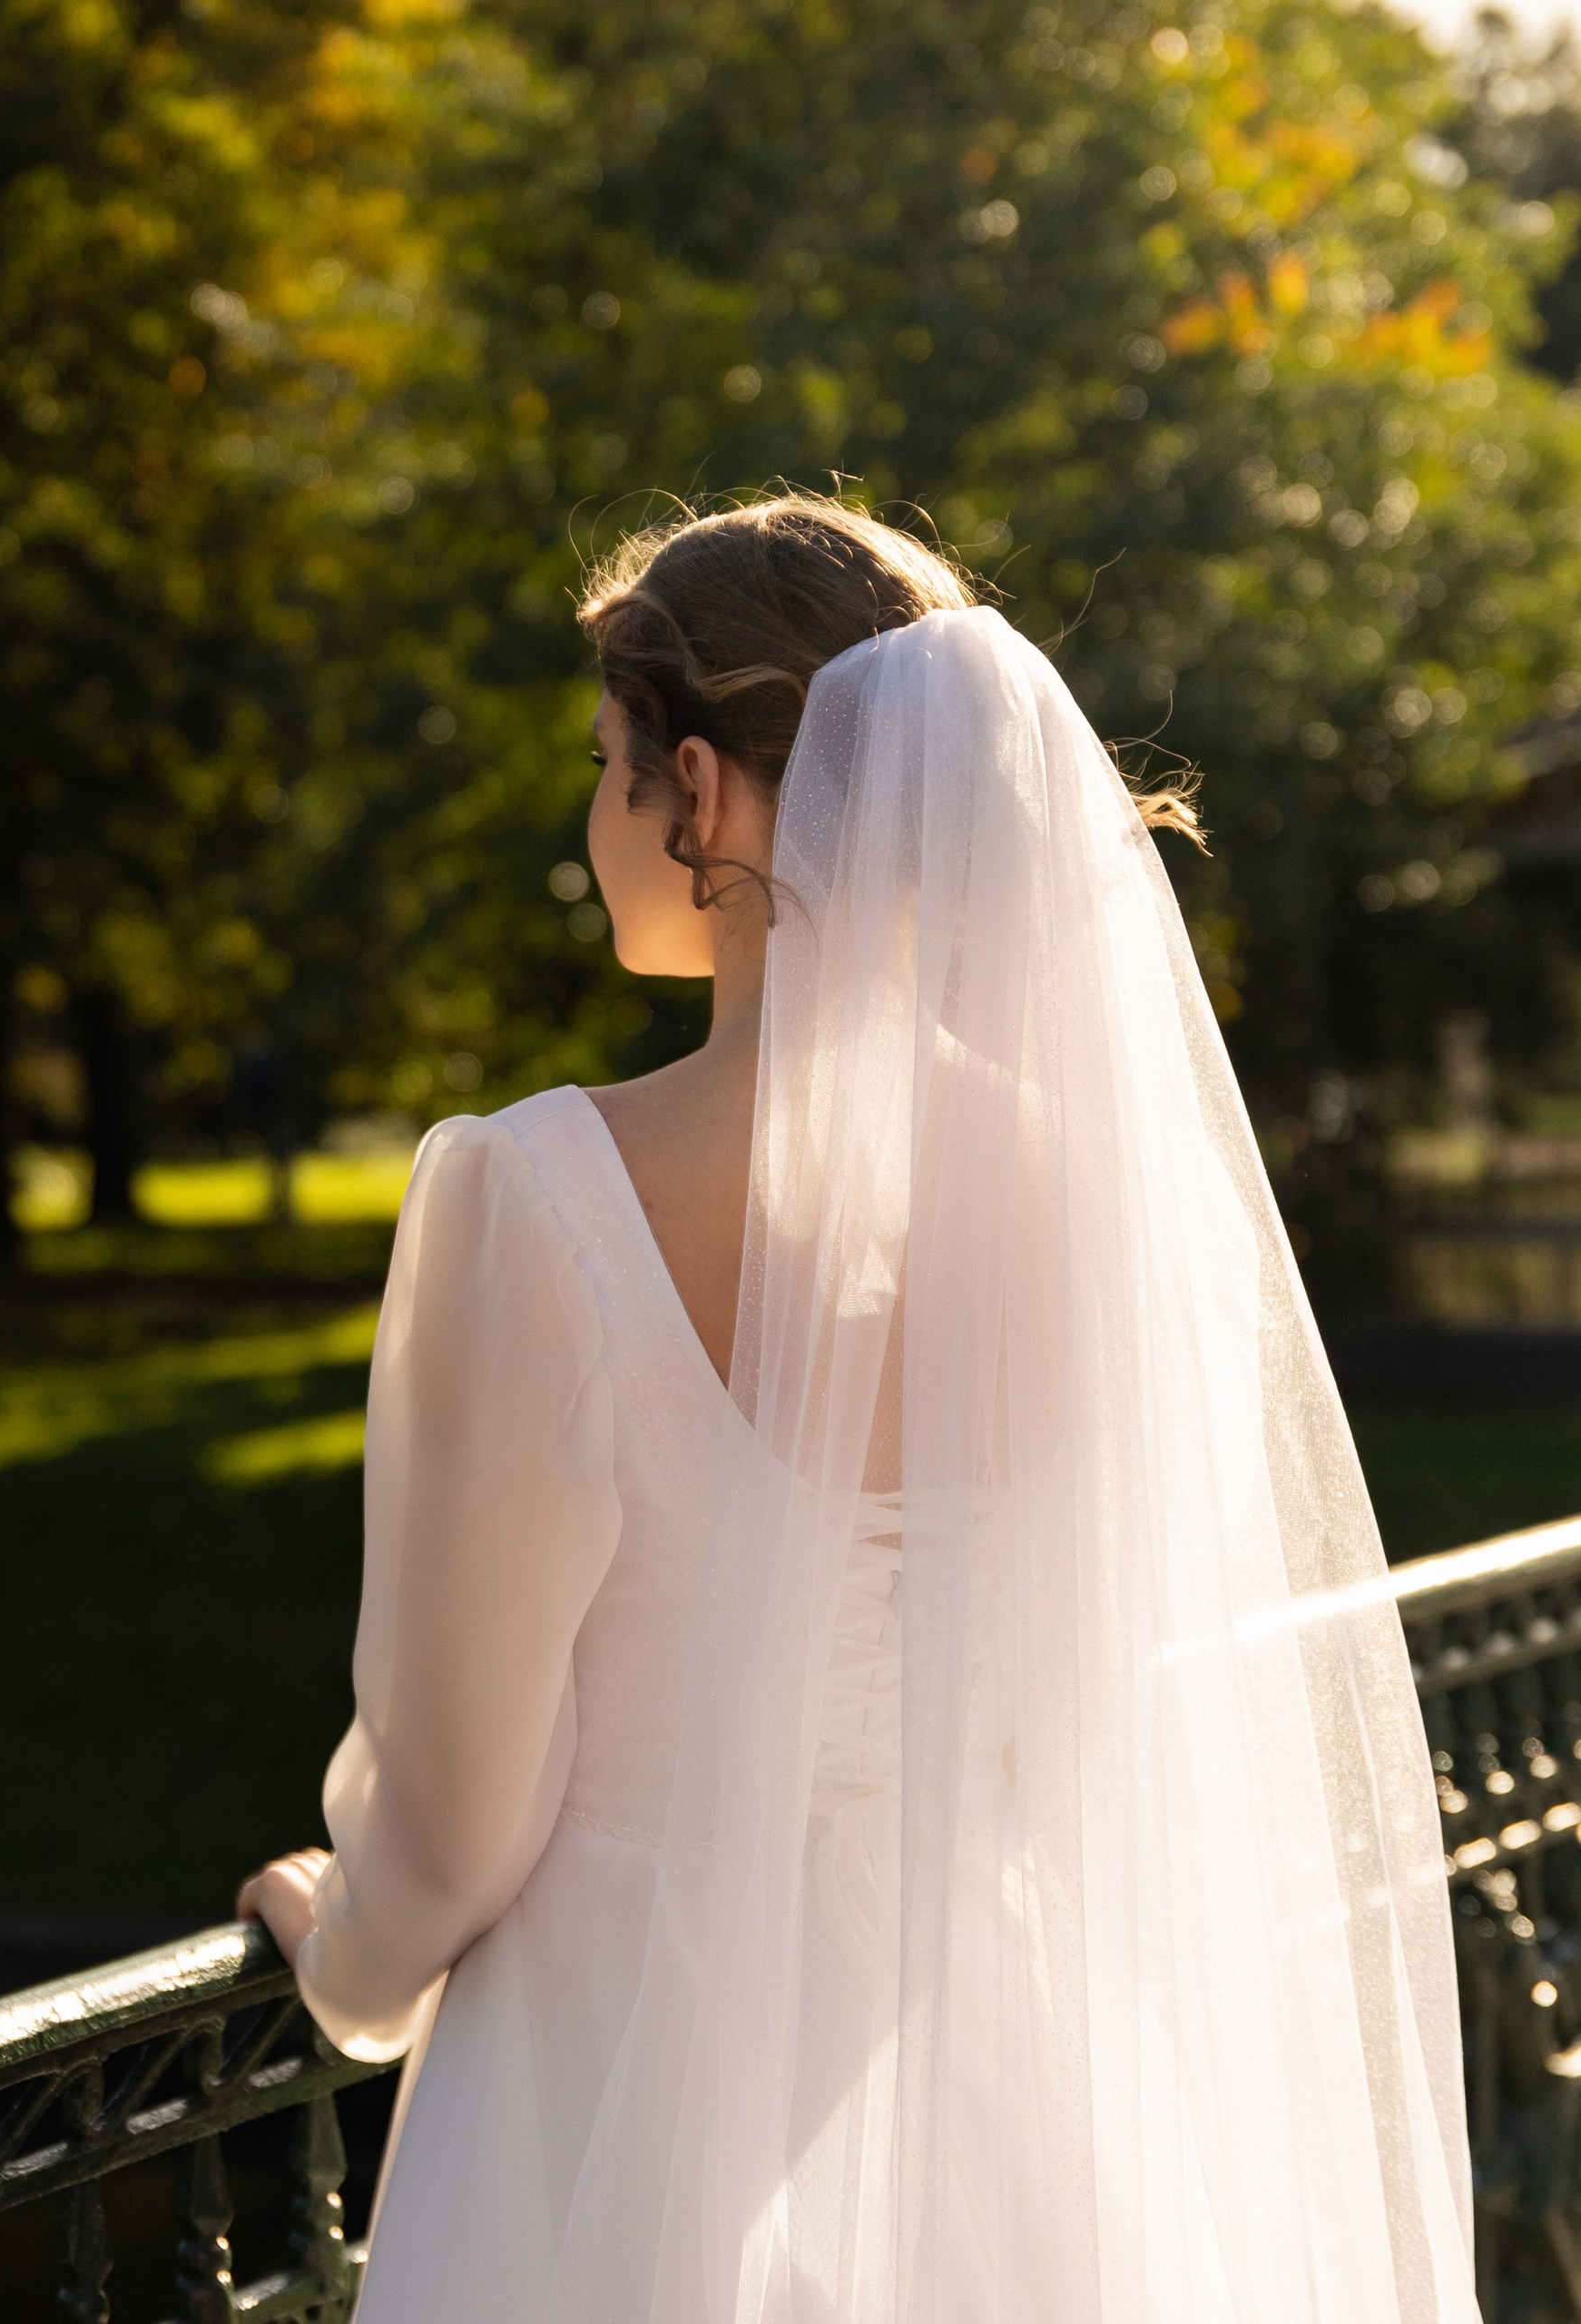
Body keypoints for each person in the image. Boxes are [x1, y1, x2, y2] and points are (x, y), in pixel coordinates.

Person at [238, 493, 1477, 2323]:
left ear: (703, 789)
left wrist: (334, 1945)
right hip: (1016, 2080)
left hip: (612, 2110)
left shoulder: (540, 1195)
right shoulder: (1124, 1201)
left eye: (602, 766)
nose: (589, 830)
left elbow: (453, 1818)